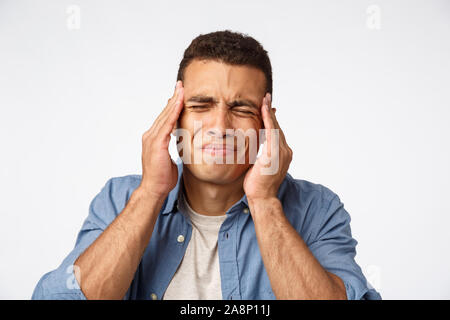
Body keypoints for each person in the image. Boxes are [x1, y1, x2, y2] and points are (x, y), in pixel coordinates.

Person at [32, 30, 381, 300]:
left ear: (266, 125)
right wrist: (151, 193)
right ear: (174, 117)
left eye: (242, 109)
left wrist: (265, 202)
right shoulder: (120, 198)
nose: (220, 127)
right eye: (200, 105)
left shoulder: (316, 210)